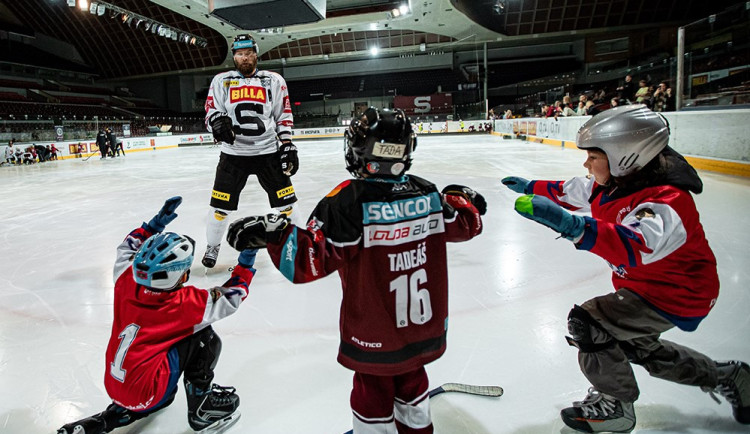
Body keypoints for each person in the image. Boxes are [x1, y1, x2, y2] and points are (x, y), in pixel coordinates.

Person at [224, 107, 486, 434]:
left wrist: (274, 235)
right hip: (423, 334)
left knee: (372, 397)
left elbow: (305, 262)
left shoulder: (348, 201)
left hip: (375, 338)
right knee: (413, 386)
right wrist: (464, 199)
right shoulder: (428, 192)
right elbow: (466, 224)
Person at [501, 104, 750, 433]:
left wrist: (574, 226)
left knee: (588, 322)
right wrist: (531, 186)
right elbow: (571, 189)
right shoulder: (616, 184)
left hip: (678, 293)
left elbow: (635, 244)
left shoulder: (666, 202)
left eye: (593, 156)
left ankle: (615, 406)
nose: (586, 164)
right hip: (647, 287)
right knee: (638, 348)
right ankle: (729, 376)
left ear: (624, 155)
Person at [56, 196, 259, 434]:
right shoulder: (186, 304)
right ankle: (202, 409)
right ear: (180, 277)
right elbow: (232, 296)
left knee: (151, 367)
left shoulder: (124, 279)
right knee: (204, 336)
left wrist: (153, 226)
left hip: (115, 386)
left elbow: (127, 247)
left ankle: (110, 418)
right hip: (151, 393)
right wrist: (246, 261)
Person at [202, 34, 298, 268]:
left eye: (249, 53)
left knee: (286, 205)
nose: (244, 58)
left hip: (268, 152)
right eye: (240, 54)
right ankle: (212, 246)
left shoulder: (273, 80)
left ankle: (295, 245)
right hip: (233, 155)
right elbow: (210, 113)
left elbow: (282, 115)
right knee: (219, 208)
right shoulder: (221, 81)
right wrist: (215, 122)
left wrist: (287, 145)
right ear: (234, 56)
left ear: (256, 54)